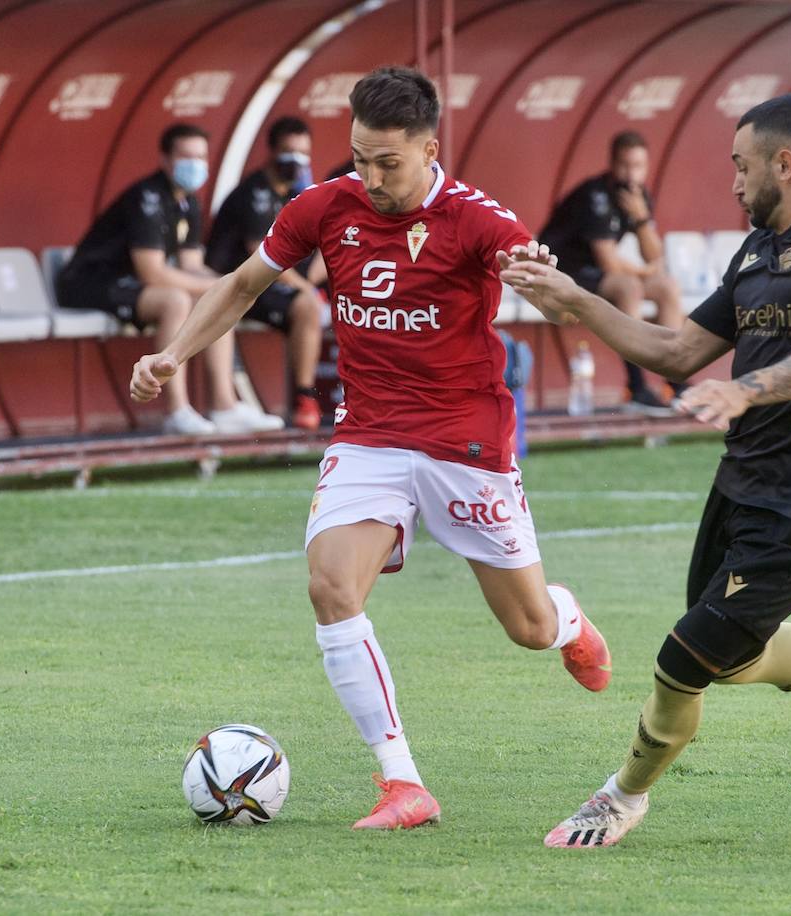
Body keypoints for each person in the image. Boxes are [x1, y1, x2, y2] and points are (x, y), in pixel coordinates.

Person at [130, 67, 612, 830]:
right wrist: (174, 354)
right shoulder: (326, 206)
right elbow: (245, 282)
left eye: (388, 162)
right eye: (360, 158)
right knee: (330, 588)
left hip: (466, 442)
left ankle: (568, 621)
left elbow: (534, 274)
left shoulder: (477, 219)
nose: (371, 176)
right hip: (370, 434)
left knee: (526, 629)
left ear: (429, 148)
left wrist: (542, 279)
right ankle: (403, 783)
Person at [501, 94, 791, 849]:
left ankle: (620, 799)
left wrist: (747, 387)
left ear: (786, 162)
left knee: (685, 657)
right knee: (730, 660)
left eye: (742, 167)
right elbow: (677, 352)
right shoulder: (757, 253)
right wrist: (574, 300)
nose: (734, 184)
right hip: (741, 486)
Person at [56, 123, 282, 435]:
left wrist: (226, 284)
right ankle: (176, 411)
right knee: (176, 300)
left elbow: (191, 265)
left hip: (131, 285)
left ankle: (225, 406)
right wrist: (216, 286)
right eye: (186, 156)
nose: (195, 164)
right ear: (165, 160)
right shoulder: (147, 197)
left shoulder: (188, 201)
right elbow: (153, 272)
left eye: (201, 157)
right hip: (89, 282)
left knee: (219, 297)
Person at [539, 131, 686, 413]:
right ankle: (636, 387)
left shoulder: (637, 195)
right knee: (627, 287)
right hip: (560, 270)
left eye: (639, 166)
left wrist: (642, 219)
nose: (632, 174)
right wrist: (645, 272)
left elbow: (654, 254)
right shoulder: (596, 196)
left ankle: (675, 381)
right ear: (612, 163)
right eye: (625, 165)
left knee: (667, 287)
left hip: (593, 273)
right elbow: (610, 263)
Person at [207, 116, 326, 431]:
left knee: (318, 303)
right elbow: (265, 258)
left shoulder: (296, 193)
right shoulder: (254, 192)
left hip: (264, 287)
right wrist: (306, 289)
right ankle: (296, 400)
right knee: (307, 304)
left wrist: (313, 280)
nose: (296, 160)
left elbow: (318, 247)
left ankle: (305, 398)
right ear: (271, 152)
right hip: (234, 284)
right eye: (288, 151)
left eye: (303, 153)